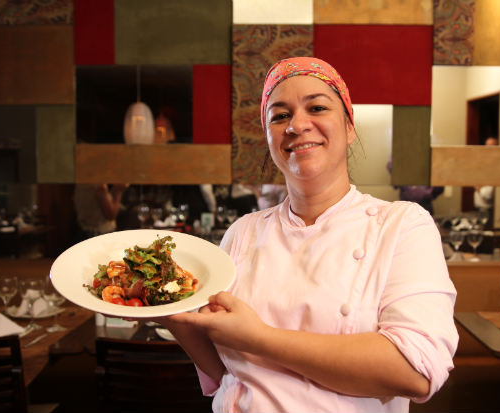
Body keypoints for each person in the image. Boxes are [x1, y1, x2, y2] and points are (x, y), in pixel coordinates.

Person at [144, 57, 458, 412]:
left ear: (349, 125)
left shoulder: (402, 225)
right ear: (268, 137)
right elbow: (225, 370)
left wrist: (260, 338)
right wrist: (168, 313)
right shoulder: (243, 232)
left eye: (317, 107)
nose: (297, 125)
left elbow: (414, 370)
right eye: (279, 116)